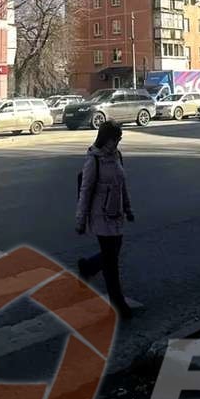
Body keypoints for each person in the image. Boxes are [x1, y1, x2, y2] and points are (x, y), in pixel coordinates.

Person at [75, 120, 135, 320]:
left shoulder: (117, 156)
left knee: (113, 253)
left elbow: (122, 185)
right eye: (115, 139)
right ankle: (118, 305)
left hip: (116, 214)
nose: (117, 142)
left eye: (119, 138)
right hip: (100, 216)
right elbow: (85, 191)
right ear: (105, 138)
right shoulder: (94, 159)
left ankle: (88, 267)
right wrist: (80, 220)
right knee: (111, 262)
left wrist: (128, 208)